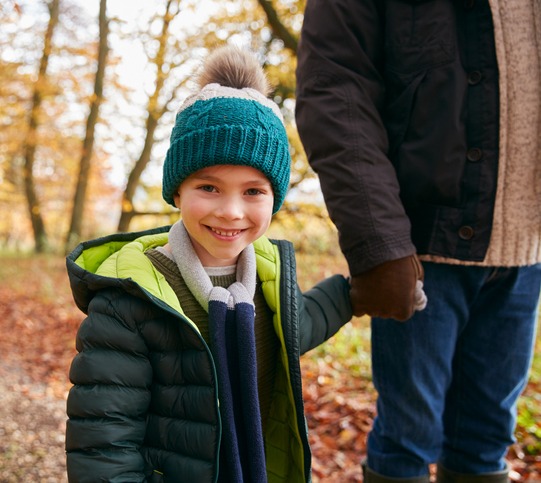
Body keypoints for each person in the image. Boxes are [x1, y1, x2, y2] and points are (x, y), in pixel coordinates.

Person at [295, 1, 541, 482]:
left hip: (527, 247)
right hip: (421, 253)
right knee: (408, 441)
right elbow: (336, 87)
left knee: (487, 441)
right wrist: (379, 242)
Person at [65, 46, 355, 483]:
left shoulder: (268, 275)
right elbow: (104, 446)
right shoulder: (129, 300)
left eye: (253, 192)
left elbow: (295, 327)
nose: (231, 211)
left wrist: (353, 294)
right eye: (209, 187)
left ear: (275, 198)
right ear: (177, 193)